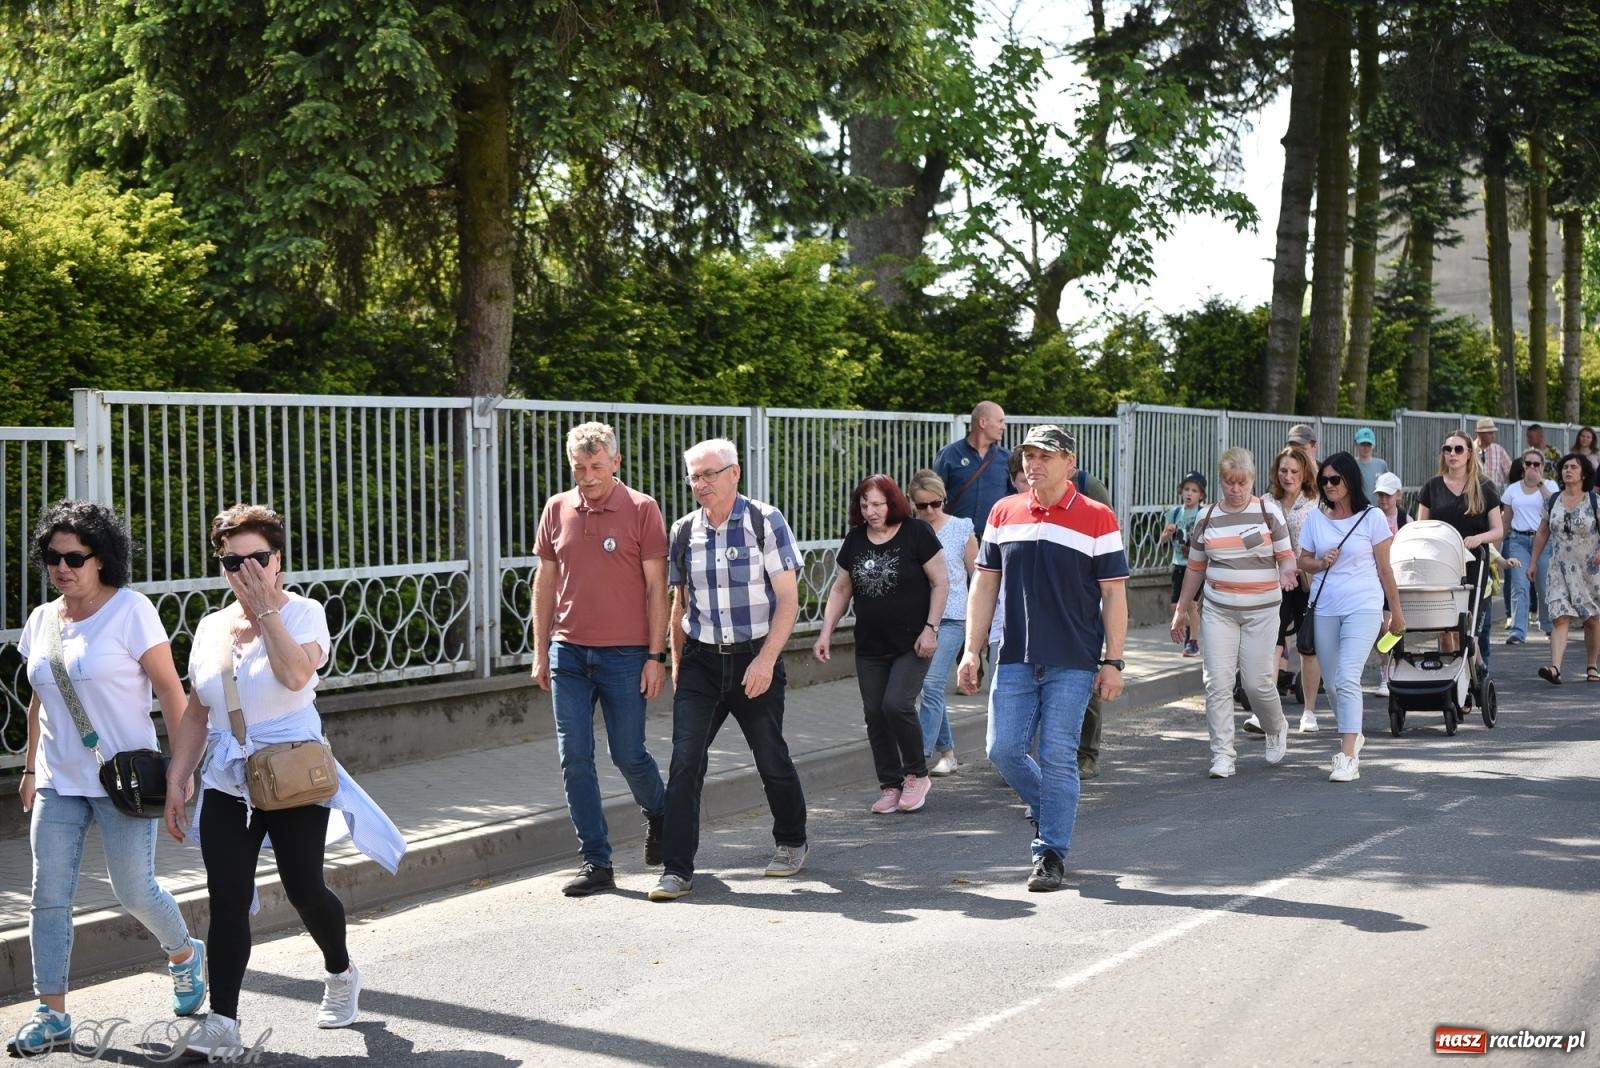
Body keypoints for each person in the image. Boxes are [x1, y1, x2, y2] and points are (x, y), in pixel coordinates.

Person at [163, 504, 406, 1056]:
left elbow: (297, 674)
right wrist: (179, 777)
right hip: (229, 779)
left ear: (279, 560)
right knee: (227, 896)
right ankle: (223, 1020)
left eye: (257, 558)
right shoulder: (209, 627)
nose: (245, 569)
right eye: (232, 561)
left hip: (293, 773)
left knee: (304, 890)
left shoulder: (304, 614)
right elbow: (198, 711)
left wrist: (265, 611)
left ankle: (341, 971)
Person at [7, 501, 206, 1057]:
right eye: (53, 557)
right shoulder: (43, 619)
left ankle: (185, 954)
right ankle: (51, 1014)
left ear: (103, 559)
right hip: (56, 781)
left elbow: (171, 690)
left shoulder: (131, 611)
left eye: (75, 557)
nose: (62, 567)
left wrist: (180, 772)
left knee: (132, 889)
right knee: (47, 896)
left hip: (124, 782)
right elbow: (38, 697)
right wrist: (29, 767)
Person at [957, 426, 1128, 892]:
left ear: (1069, 462)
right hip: (1012, 652)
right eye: (1028, 455)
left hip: (1073, 658)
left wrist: (1114, 661)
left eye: (1045, 456)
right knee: (1002, 750)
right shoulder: (1003, 511)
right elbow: (985, 583)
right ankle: (1057, 806)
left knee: (1056, 756)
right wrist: (972, 649)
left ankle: (1050, 853)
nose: (1034, 463)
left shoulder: (1098, 517)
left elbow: (1114, 595)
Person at [652, 439, 809, 901]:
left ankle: (791, 840)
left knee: (769, 755)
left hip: (754, 656)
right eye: (693, 477)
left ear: (734, 473)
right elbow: (679, 605)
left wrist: (765, 660)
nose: (700, 485)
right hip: (701, 662)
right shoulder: (683, 532)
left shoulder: (765, 521)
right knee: (685, 762)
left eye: (708, 475)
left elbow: (789, 601)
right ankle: (677, 869)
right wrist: (678, 666)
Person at [530, 422, 669, 897]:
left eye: (595, 467)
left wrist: (656, 655)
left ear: (616, 462)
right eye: (578, 468)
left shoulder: (642, 509)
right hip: (568, 653)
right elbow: (544, 583)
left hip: (627, 655)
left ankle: (662, 814)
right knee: (574, 757)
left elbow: (656, 589)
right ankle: (597, 861)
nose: (586, 477)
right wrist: (540, 650)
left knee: (627, 753)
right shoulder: (557, 508)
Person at [814, 475, 948, 813]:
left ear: (892, 503)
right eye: (864, 505)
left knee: (896, 704)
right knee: (874, 713)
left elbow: (941, 582)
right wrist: (826, 631)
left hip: (913, 641)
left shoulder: (917, 533)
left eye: (877, 504)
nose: (871, 511)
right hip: (871, 645)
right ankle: (891, 784)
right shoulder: (856, 539)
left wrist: (931, 628)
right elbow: (841, 589)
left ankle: (917, 773)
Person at [1171, 449, 1298, 779]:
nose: (1236, 489)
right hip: (1219, 610)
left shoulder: (1268, 512)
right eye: (1229, 483)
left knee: (1256, 685)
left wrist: (1286, 572)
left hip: (1262, 611)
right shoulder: (1207, 518)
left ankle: (1275, 726)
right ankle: (1223, 754)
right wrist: (1182, 609)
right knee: (1216, 683)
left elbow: (1286, 556)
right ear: (1221, 481)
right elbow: (1195, 568)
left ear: (1252, 481)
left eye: (1242, 483)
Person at [1297, 453, 1405, 783]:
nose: (1328, 486)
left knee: (1346, 677)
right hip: (1326, 606)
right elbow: (1303, 561)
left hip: (1364, 605)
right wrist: (1320, 563)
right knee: (1332, 684)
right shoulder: (1316, 519)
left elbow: (1386, 570)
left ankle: (1346, 756)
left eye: (1335, 480)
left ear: (1349, 481)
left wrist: (1396, 612)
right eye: (1324, 481)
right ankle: (1353, 733)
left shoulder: (1372, 518)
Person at [907, 469, 977, 777]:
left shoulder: (961, 528)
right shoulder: (909, 531)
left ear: (943, 499)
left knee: (932, 684)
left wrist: (980, 627)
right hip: (918, 620)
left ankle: (918, 757)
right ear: (912, 504)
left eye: (935, 503)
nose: (930, 511)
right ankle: (948, 754)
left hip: (953, 618)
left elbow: (978, 578)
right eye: (922, 506)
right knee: (928, 690)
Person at [1418, 430, 1505, 661]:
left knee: (1468, 634)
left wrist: (1480, 538)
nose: (1452, 454)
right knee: (1446, 631)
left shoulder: (1484, 486)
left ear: (1469, 453)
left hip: (1474, 562)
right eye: (1447, 449)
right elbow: (1420, 527)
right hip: (1441, 564)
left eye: (1458, 449)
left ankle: (1472, 677)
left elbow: (1498, 529)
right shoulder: (1432, 487)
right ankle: (1449, 677)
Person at [1530, 454, 1600, 685]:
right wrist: (1533, 562)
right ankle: (1555, 668)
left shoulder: (1594, 501)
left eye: (1573, 467)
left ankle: (1591, 665)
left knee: (1591, 618)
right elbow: (1542, 532)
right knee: (1559, 616)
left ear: (1584, 473)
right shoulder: (1552, 501)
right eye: (1564, 467)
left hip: (1590, 570)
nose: (1567, 471)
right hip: (1559, 568)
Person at [1267, 445, 1324, 731]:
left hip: (1306, 581)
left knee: (1307, 646)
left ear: (1304, 475)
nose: (1288, 477)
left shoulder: (1315, 503)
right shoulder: (1267, 502)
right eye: (1283, 471)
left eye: (1294, 472)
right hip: (1275, 581)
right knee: (1272, 642)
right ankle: (1267, 710)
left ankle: (1309, 712)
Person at [1501, 449, 1557, 646]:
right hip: (1518, 540)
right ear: (1523, 466)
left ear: (1542, 466)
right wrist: (1497, 547)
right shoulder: (1512, 490)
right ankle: (1518, 630)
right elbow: (1505, 521)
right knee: (1519, 585)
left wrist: (1540, 483)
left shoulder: (1550, 485)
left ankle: (1548, 626)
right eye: (1528, 464)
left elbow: (1554, 506)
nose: (1532, 467)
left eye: (1537, 464)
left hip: (1543, 541)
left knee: (1543, 586)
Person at [934, 401, 1011, 531]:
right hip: (956, 538)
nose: (1004, 427)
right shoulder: (949, 454)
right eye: (1000, 421)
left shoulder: (1008, 458)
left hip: (994, 539)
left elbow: (1016, 498)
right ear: (982, 423)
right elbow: (934, 495)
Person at [1159, 472, 1206, 658]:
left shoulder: (1203, 514)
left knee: (1192, 605)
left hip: (1196, 566)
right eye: (1186, 489)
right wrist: (1168, 533)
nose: (1189, 494)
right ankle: (1189, 629)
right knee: (1175, 606)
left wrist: (1197, 534)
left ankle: (1193, 642)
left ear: (1201, 495)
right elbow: (1162, 539)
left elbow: (1208, 540)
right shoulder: (1175, 512)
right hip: (1178, 564)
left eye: (1194, 491)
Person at [1373, 472, 1411, 696]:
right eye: (1380, 495)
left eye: (1388, 495)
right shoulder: (1371, 516)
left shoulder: (1405, 519)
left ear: (1398, 495)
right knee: (1381, 626)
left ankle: (1394, 668)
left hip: (1396, 578)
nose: (1383, 500)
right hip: (1375, 577)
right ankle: (1385, 670)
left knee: (1391, 624)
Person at [1474, 417, 1512, 489]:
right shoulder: (1470, 450)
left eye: (1494, 433)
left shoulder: (1499, 451)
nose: (1493, 436)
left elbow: (1511, 473)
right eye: (1490, 433)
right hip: (1475, 493)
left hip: (1494, 494)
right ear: (1480, 434)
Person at [1353, 428, 1389, 498]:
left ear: (1373, 446)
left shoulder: (1381, 464)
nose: (1366, 448)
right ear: (1356, 445)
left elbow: (1388, 486)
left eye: (1369, 445)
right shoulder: (1351, 464)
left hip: (1377, 507)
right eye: (1363, 444)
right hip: (1357, 507)